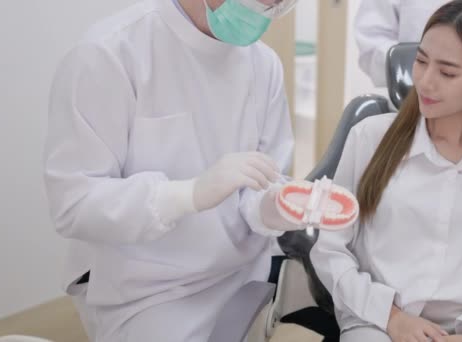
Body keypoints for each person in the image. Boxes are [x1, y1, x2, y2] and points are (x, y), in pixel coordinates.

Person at [43, 0, 300, 340]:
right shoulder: (109, 53)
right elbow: (73, 203)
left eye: (278, 6)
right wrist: (185, 195)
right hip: (146, 293)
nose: (264, 15)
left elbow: (267, 175)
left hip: (242, 276)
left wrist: (269, 207)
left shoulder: (263, 64)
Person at [310, 1, 462, 341]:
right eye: (421, 61)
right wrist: (392, 317)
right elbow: (330, 249)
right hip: (379, 325)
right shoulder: (369, 139)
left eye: (448, 72)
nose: (423, 81)